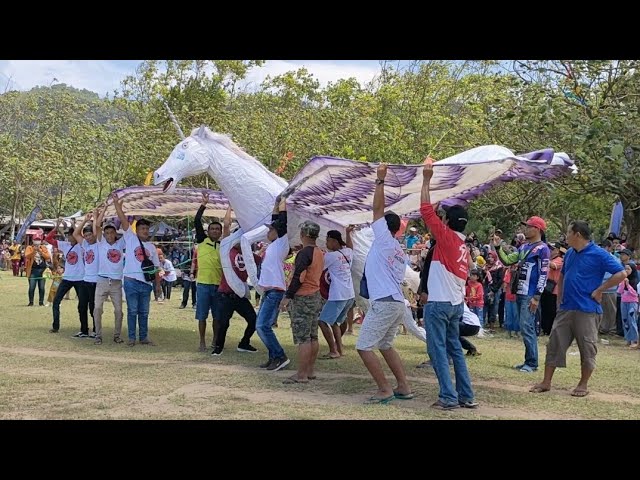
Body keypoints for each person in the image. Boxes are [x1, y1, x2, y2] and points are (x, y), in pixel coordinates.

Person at [530, 221, 625, 397]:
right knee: (554, 344)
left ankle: (583, 384)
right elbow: (564, 275)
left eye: (568, 232)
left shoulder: (599, 254)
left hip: (587, 309)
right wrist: (559, 297)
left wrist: (599, 290)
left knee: (587, 347)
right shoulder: (570, 253)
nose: (566, 236)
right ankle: (546, 382)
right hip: (566, 308)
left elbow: (621, 273)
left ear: (578, 234)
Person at [420, 158, 477, 409]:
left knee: (438, 352)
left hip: (439, 304)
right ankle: (466, 395)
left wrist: (426, 178)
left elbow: (425, 210)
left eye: (443, 217)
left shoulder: (446, 239)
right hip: (455, 305)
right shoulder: (464, 246)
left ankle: (448, 397)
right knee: (455, 351)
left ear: (447, 222)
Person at [356, 163, 413, 405]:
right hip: (397, 302)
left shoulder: (384, 239)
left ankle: (384, 389)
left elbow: (377, 209)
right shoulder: (398, 250)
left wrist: (380, 180)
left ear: (383, 228)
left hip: (385, 302)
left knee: (363, 346)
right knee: (386, 345)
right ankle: (403, 386)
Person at [495, 216, 550, 373]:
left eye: (528, 226)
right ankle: (528, 360)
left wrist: (537, 296)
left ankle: (532, 363)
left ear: (537, 229)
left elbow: (544, 273)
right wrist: (498, 247)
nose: (525, 229)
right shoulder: (523, 247)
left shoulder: (543, 249)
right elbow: (507, 260)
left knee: (527, 327)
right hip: (519, 292)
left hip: (530, 293)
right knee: (524, 327)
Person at [113, 194, 162, 346]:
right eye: (142, 228)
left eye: (147, 228)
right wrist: (117, 206)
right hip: (131, 281)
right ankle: (132, 338)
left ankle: (144, 337)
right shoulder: (131, 238)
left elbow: (156, 268)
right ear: (137, 229)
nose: (145, 231)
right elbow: (122, 219)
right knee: (132, 310)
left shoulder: (152, 247)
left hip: (146, 284)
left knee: (144, 312)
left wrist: (158, 285)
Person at [280, 220, 324, 384]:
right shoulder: (318, 252)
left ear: (303, 234)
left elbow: (299, 277)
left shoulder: (304, 254)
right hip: (315, 296)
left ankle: (301, 375)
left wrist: (287, 297)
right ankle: (310, 371)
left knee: (303, 338)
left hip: (303, 297)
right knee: (313, 336)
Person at [211, 208, 259, 356]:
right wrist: (231, 208)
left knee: (254, 320)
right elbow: (226, 226)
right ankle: (218, 348)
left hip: (240, 295)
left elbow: (267, 258)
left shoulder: (251, 256)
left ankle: (244, 343)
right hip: (225, 294)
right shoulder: (227, 250)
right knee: (223, 323)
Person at [255, 196, 290, 371]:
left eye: (270, 230)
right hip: (270, 290)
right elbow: (276, 220)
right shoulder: (273, 245)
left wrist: (283, 204)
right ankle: (273, 357)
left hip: (275, 290)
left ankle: (280, 355)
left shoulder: (281, 242)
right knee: (263, 325)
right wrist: (276, 205)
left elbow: (281, 222)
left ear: (276, 232)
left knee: (261, 326)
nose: (267, 232)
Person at [194, 192, 226, 351]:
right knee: (202, 316)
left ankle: (215, 341)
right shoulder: (202, 240)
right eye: (212, 229)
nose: (214, 231)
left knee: (217, 317)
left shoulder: (224, 245)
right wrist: (203, 204)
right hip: (203, 285)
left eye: (217, 229)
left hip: (218, 286)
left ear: (220, 232)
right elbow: (196, 221)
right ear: (208, 231)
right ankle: (202, 342)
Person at [318, 228, 355, 360]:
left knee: (322, 321)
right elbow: (350, 246)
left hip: (337, 294)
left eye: (327, 241)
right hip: (349, 294)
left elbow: (318, 266)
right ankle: (339, 349)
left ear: (334, 241)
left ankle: (333, 350)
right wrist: (348, 233)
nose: (326, 244)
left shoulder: (330, 256)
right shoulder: (348, 252)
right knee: (336, 322)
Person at [92, 207, 126, 345]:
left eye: (112, 232)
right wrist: (104, 210)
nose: (110, 235)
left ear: (115, 233)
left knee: (119, 310)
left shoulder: (121, 243)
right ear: (104, 235)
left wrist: (120, 209)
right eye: (107, 233)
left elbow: (125, 225)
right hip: (102, 280)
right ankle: (98, 335)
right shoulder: (101, 244)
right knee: (97, 309)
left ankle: (116, 336)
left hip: (116, 283)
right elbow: (97, 226)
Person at [24, 236, 51, 306]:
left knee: (42, 287)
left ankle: (41, 302)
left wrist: (40, 251)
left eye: (38, 240)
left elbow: (48, 257)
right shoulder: (29, 248)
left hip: (42, 270)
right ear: (32, 240)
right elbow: (27, 256)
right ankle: (31, 302)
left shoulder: (44, 248)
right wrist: (34, 251)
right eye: (35, 239)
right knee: (31, 287)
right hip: (33, 270)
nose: (37, 241)